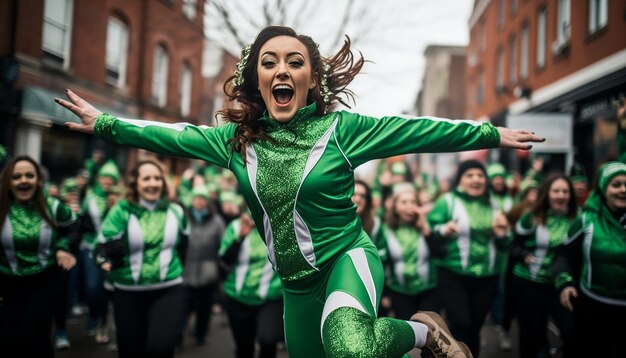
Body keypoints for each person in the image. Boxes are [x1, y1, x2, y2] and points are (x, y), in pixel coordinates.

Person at [56, 25, 543, 358]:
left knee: (351, 346)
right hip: (295, 283)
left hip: (347, 258)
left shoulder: (342, 130)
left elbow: (415, 128)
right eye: (270, 63)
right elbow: (171, 134)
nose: (283, 70)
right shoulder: (234, 141)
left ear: (312, 80)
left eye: (295, 62)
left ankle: (424, 332)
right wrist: (105, 124)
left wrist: (487, 133)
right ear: (258, 80)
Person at [94, 160, 189, 358]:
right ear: (135, 183)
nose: (152, 183)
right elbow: (100, 247)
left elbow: (183, 248)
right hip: (128, 291)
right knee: (131, 351)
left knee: (161, 348)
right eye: (146, 178)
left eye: (157, 178)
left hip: (168, 288)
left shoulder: (176, 211)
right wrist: (104, 260)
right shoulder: (121, 210)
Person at [427, 160, 511, 357]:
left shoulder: (493, 204)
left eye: (480, 175)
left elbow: (504, 244)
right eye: (470, 175)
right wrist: (444, 229)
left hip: (487, 276)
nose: (476, 179)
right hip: (453, 275)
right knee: (461, 323)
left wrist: (502, 234)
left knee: (475, 326)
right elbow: (430, 230)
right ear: (460, 180)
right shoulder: (447, 201)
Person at [0, 155, 78, 357]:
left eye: (29, 175)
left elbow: (75, 227)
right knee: (9, 337)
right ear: (8, 181)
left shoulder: (53, 205)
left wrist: (63, 247)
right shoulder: (1, 207)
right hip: (8, 280)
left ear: (38, 180)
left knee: (35, 333)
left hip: (45, 277)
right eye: (17, 176)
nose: (24, 180)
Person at [552, 161, 626, 358]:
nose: (623, 190)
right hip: (593, 307)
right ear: (603, 188)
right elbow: (564, 255)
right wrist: (565, 283)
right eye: (616, 184)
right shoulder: (586, 220)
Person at [510, 173, 577, 358]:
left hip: (560, 286)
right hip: (528, 283)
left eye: (565, 191)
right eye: (556, 190)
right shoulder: (531, 217)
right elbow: (513, 245)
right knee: (532, 336)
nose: (561, 195)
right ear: (547, 193)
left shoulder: (578, 217)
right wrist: (523, 254)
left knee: (570, 331)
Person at [219, 209, 284, 358]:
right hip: (238, 297)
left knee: (268, 341)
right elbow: (225, 261)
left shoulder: (279, 225)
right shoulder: (236, 226)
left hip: (270, 298)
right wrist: (241, 236)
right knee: (244, 347)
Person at [376, 183, 441, 319]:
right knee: (409, 335)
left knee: (429, 333)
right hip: (400, 291)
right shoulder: (386, 230)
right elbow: (382, 264)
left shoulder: (426, 225)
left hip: (428, 290)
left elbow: (440, 253)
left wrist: (425, 228)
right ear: (395, 208)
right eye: (404, 202)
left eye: (413, 202)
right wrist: (385, 295)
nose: (409, 206)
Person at [180, 185, 226, 346]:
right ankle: (177, 339)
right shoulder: (183, 218)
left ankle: (200, 334)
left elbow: (223, 246)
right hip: (186, 272)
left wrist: (220, 268)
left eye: (202, 198)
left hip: (208, 273)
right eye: (196, 198)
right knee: (182, 309)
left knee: (204, 310)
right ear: (192, 200)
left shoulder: (217, 221)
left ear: (207, 202)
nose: (199, 201)